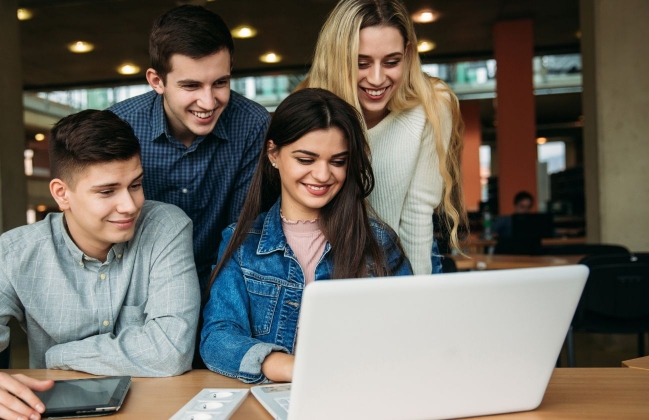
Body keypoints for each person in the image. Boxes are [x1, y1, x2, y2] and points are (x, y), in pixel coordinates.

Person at [0, 110, 200, 420]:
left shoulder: (166, 227)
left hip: (156, 410)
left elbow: (171, 350)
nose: (130, 206)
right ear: (62, 194)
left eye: (135, 185)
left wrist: (58, 355)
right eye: (107, 191)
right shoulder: (17, 252)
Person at [200, 89, 412, 384]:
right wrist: (291, 367)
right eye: (306, 159)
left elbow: (410, 335)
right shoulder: (241, 242)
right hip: (278, 400)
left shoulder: (379, 243)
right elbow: (217, 338)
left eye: (337, 161)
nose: (323, 175)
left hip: (362, 395)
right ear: (274, 153)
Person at [108, 5, 271, 287]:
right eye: (191, 86)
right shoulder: (119, 125)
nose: (208, 103)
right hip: (136, 285)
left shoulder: (254, 124)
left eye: (220, 82)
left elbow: (242, 232)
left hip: (222, 282)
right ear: (157, 81)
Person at [302, 0, 466, 275]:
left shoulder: (432, 105)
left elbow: (417, 216)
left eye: (391, 62)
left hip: (407, 262)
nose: (377, 79)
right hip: (331, 264)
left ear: (408, 53)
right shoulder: (314, 108)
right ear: (337, 58)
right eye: (361, 63)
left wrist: (415, 297)